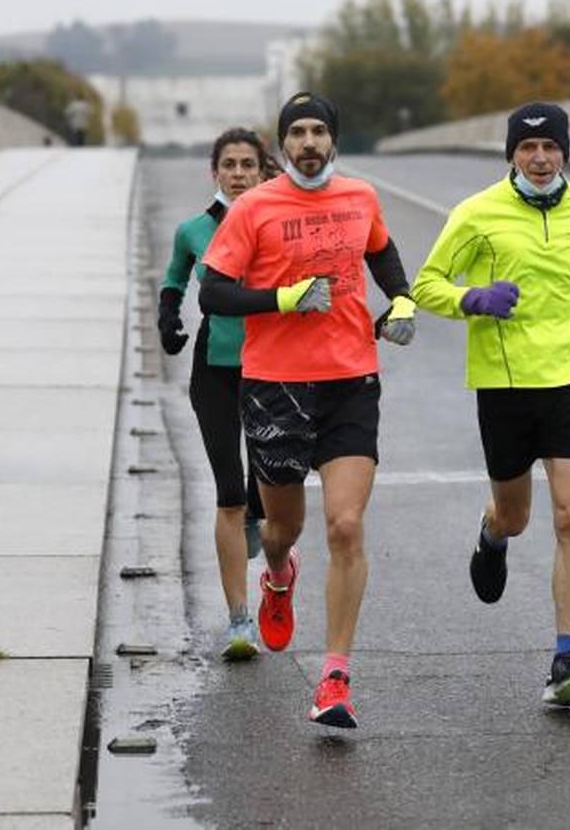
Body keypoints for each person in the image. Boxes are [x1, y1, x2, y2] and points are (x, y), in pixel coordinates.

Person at [198, 91, 416, 728]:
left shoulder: (359, 197)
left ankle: (335, 676)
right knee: (280, 528)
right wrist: (282, 299)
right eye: (297, 133)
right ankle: (277, 573)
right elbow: (213, 293)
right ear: (282, 145)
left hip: (351, 379)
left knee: (346, 526)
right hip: (274, 384)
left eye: (320, 130)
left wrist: (400, 301)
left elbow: (380, 250)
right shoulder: (255, 208)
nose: (310, 143)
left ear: (334, 139)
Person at [410, 101, 570, 708]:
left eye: (550, 147)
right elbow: (427, 283)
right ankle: (491, 534)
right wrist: (473, 297)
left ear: (564, 152)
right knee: (518, 516)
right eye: (527, 149)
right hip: (505, 385)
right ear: (511, 154)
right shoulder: (476, 213)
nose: (539, 158)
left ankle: (565, 659)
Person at [157, 128, 280, 662]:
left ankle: (264, 529)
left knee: (266, 494)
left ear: (260, 170)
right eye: (227, 164)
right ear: (215, 172)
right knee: (228, 492)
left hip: (272, 369)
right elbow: (174, 279)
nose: (236, 172)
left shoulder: (277, 225)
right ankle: (238, 622)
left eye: (246, 164)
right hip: (215, 370)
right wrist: (168, 318)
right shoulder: (192, 230)